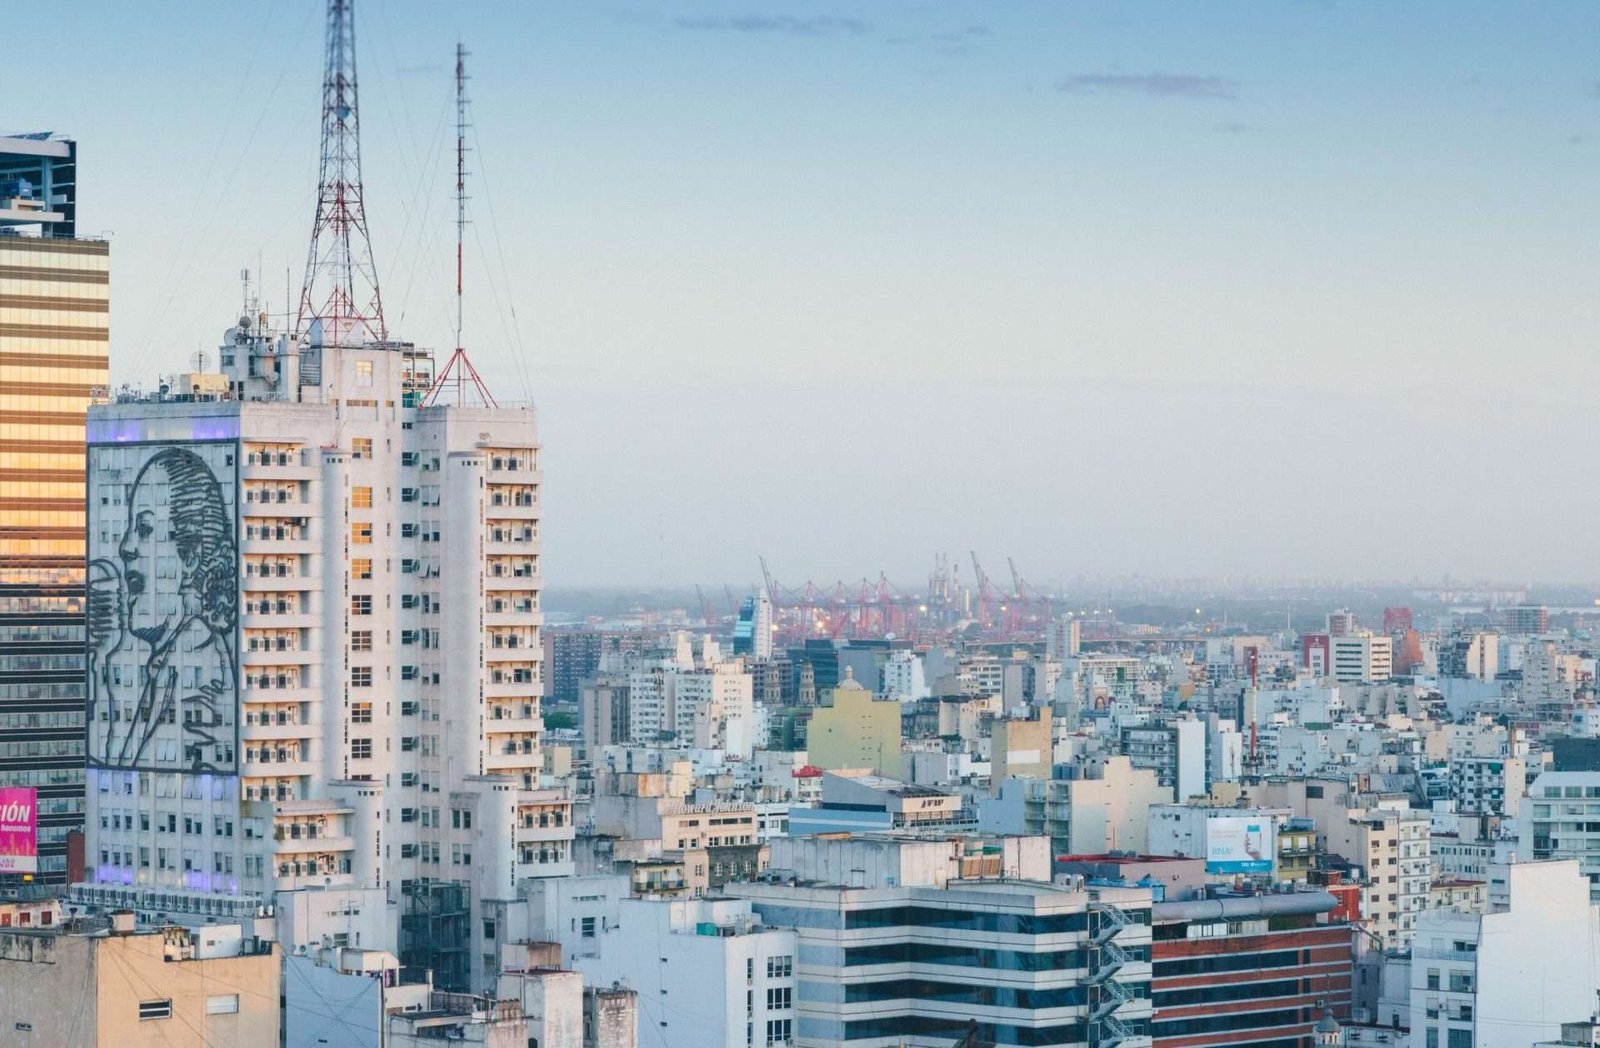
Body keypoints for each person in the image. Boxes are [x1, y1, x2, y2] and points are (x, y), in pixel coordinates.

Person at [96, 447, 237, 771]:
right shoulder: (158, 662)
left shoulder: (203, 675)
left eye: (144, 529)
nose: (126, 547)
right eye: (130, 529)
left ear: (191, 558)